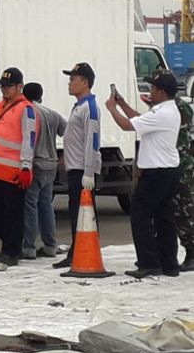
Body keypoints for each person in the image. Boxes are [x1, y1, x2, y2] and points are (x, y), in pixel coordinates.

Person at [105, 70, 181, 278]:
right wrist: (122, 104)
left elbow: (127, 125)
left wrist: (112, 109)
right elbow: (140, 119)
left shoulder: (161, 113)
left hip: (157, 172)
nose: (150, 92)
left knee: (140, 215)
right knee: (163, 217)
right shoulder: (167, 111)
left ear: (162, 92)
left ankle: (149, 262)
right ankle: (169, 263)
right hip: (168, 170)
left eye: (153, 88)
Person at [0, 67, 37, 266]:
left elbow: (29, 140)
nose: (4, 89)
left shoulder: (26, 109)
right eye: (2, 85)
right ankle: (7, 245)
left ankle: (12, 251)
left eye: (9, 86)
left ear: (20, 87)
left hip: (14, 173)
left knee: (13, 214)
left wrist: (26, 167)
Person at [53, 63, 101, 269]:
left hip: (83, 170)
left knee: (83, 215)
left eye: (73, 79)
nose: (70, 83)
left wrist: (89, 172)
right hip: (75, 168)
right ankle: (76, 251)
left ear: (85, 82)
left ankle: (83, 253)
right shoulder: (79, 106)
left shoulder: (89, 108)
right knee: (76, 213)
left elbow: (92, 141)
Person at [21, 83, 66, 259]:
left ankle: (29, 247)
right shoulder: (52, 113)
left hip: (36, 164)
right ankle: (50, 245)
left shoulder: (29, 112)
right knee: (46, 206)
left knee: (30, 205)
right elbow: (67, 132)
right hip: (51, 165)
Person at [171, 95, 194, 271]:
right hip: (175, 166)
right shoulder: (171, 106)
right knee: (175, 212)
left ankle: (191, 253)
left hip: (184, 168)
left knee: (185, 211)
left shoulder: (179, 108)